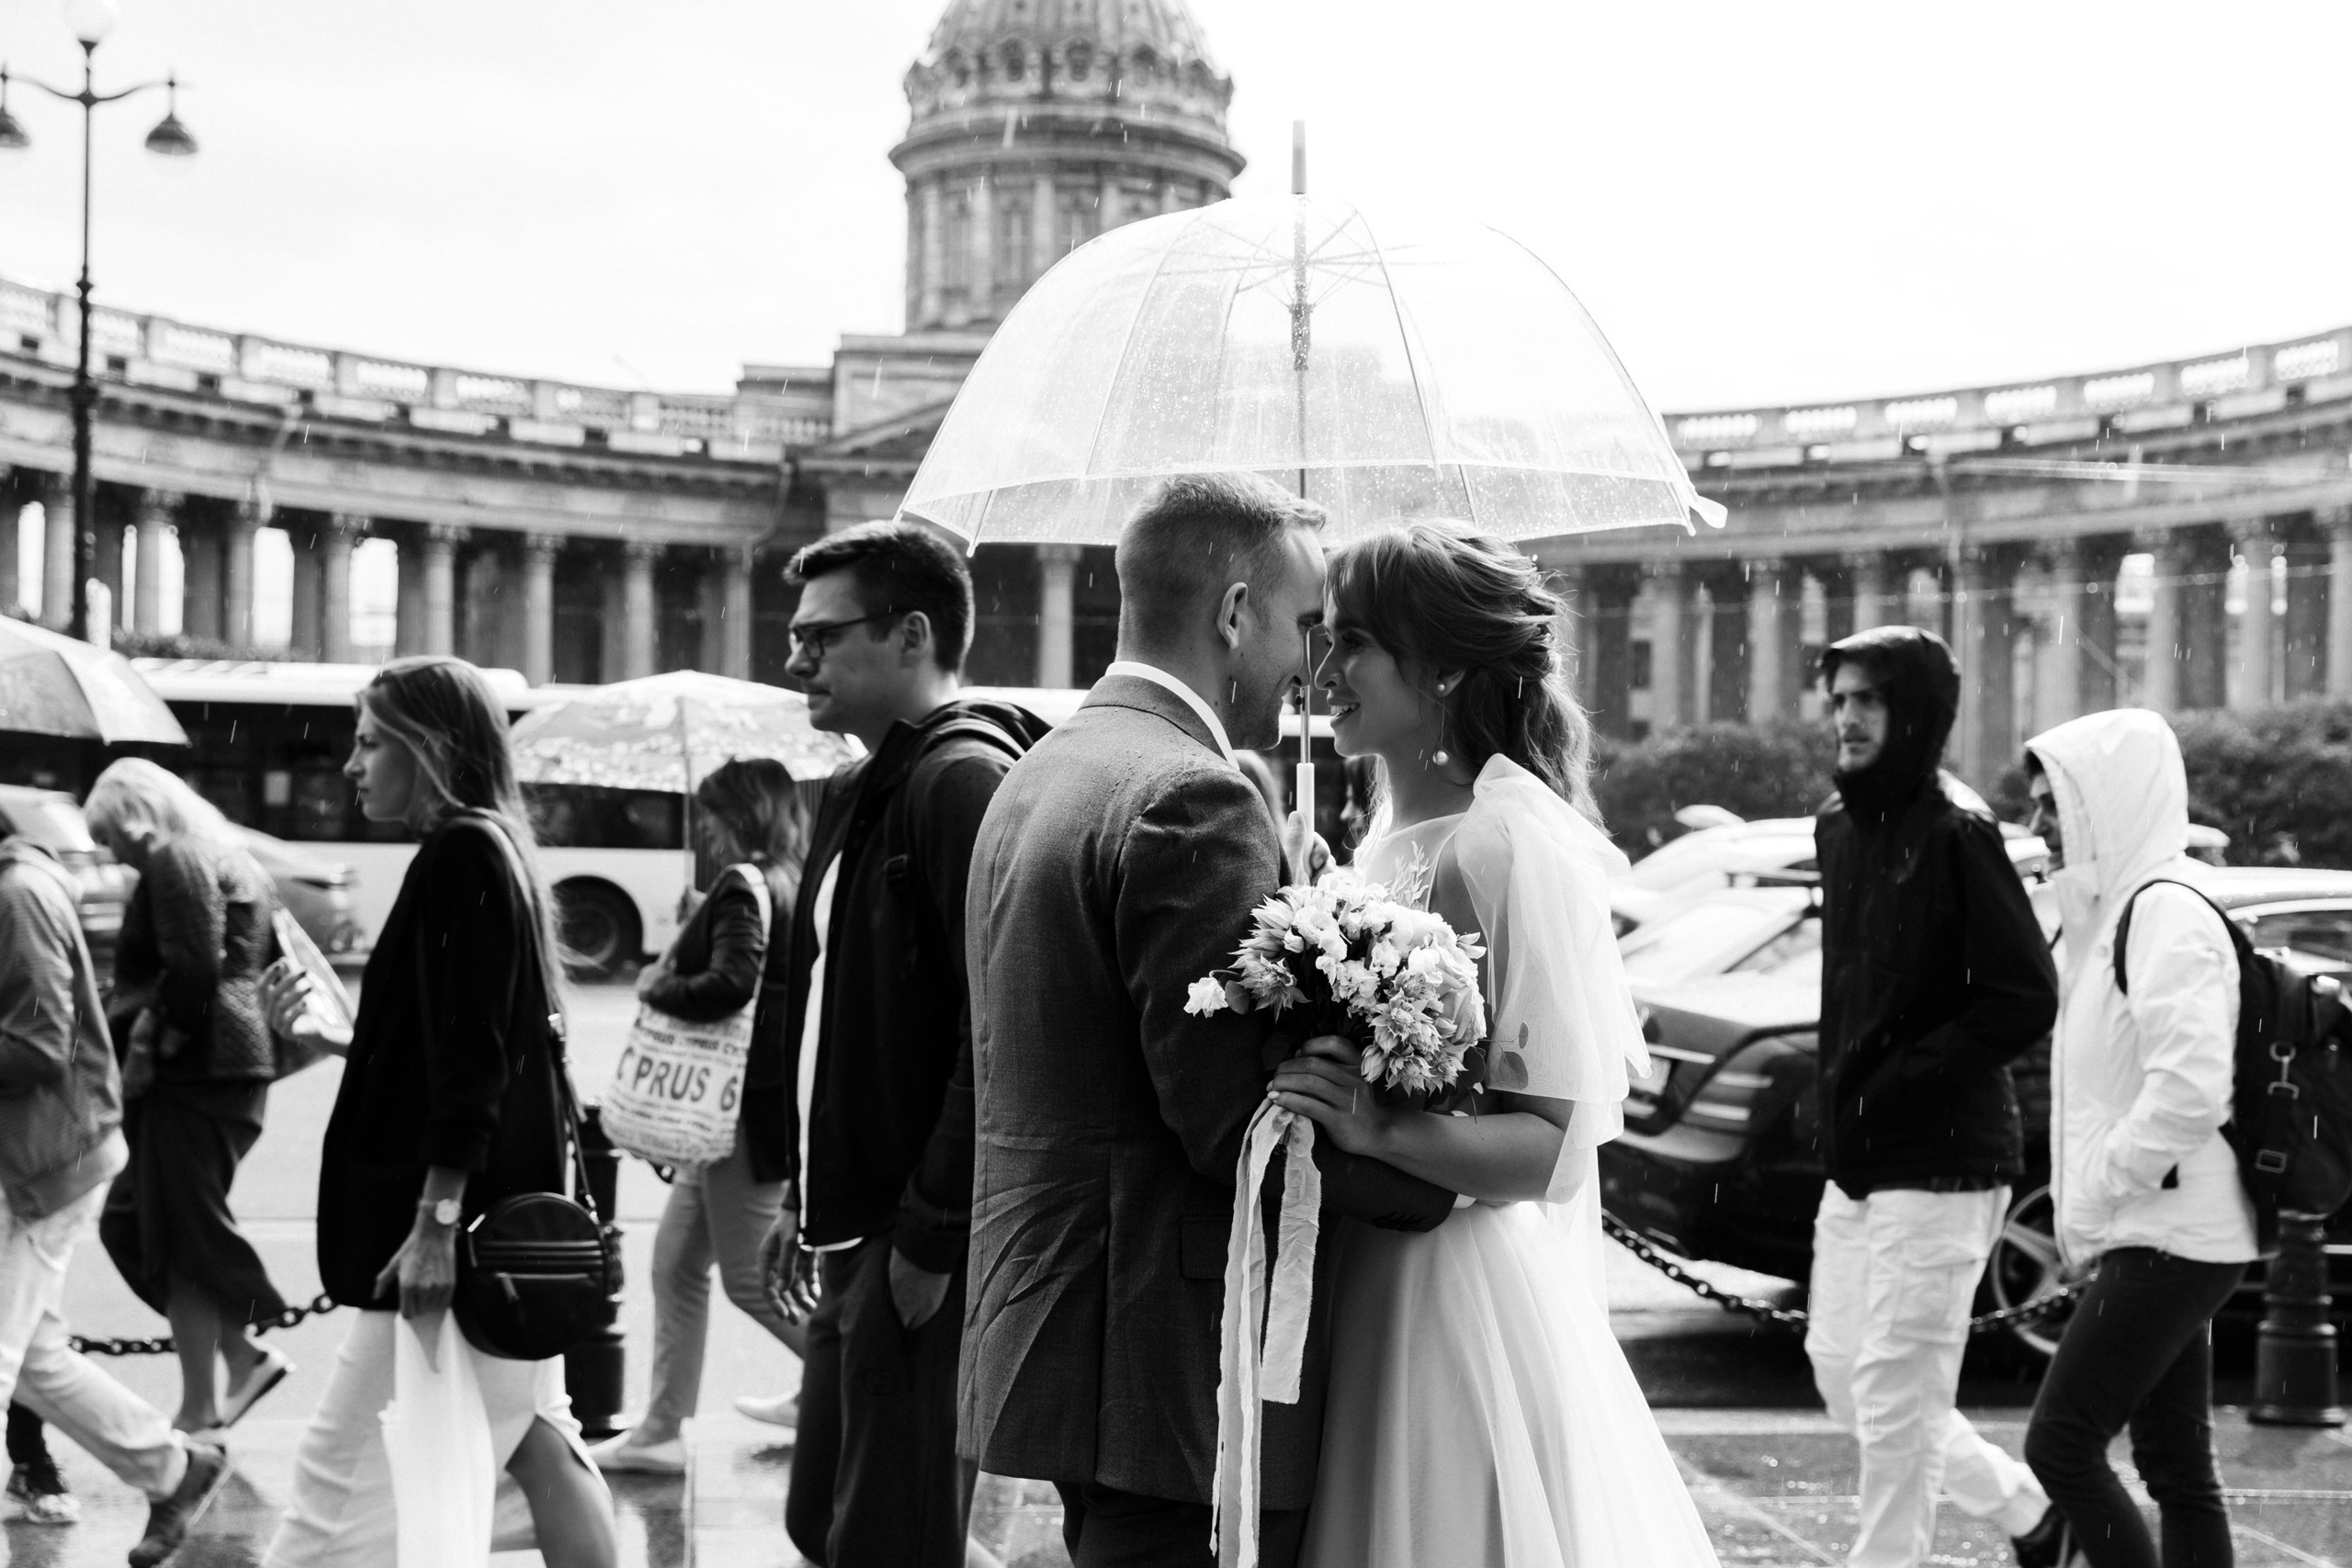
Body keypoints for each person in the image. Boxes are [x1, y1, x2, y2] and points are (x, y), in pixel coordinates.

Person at [961, 474, 1457, 1568]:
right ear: (1235, 613)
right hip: (1169, 1352)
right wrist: (1440, 1185)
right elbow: (1236, 1125)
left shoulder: (1040, 768)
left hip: (1054, 1317)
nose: (1310, 667)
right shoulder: (1195, 794)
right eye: (1303, 625)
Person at [1261, 520, 1718, 1565]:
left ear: (1450, 670)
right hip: (1356, 1274)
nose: (1323, 669)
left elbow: (1548, 1152)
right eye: (1323, 637)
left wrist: (1374, 1128)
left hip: (1444, 1296)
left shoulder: (1500, 843)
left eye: (1356, 644)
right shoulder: (1380, 843)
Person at [255, 655, 618, 1568]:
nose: (350, 763)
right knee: (538, 1439)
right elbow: (461, 1040)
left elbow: (472, 1059)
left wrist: (433, 1224)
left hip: (441, 1234)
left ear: (430, 748)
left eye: (371, 741)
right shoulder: (488, 847)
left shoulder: (461, 853)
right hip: (485, 1221)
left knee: (329, 1491)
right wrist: (345, 1040)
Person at [743, 520, 1048, 1568]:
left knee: (890, 1535)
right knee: (822, 1519)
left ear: (912, 634)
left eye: (819, 639)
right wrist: (803, 1195)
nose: (794, 662)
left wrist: (929, 1234)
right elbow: (833, 1011)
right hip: (857, 1220)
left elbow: (1000, 1031)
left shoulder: (960, 780)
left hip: (920, 1236)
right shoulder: (860, 784)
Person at [1809, 626, 2064, 1568]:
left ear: (1914, 713)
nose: (1845, 717)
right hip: (1859, 1156)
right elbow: (1852, 991)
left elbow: (2024, 995)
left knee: (1896, 1401)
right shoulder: (1835, 827)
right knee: (1844, 1377)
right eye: (1836, 700)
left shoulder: (1959, 830)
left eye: (1865, 700)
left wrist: (1906, 1078)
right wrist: (1837, 1097)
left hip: (1945, 1161)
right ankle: (2032, 1514)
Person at [2021, 709, 2256, 1568]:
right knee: (2174, 1462)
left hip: (2169, 1231)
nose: (2038, 823)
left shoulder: (2163, 913)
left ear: (2107, 805)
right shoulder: (2119, 909)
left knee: (2060, 1443)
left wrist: (2107, 1182)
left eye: (2054, 804)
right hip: (2168, 1226)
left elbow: (2190, 1088)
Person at [1, 803, 232, 1566]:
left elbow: (38, 1041)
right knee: (34, 1359)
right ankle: (175, 1469)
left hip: (41, 1161)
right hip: (40, 1154)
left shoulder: (19, 894)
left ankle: (176, 1469)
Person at [589, 759, 808, 1475]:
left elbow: (730, 983)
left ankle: (853, 1385)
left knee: (750, 1279)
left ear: (738, 816)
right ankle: (660, 1428)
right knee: (677, 1263)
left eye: (710, 815)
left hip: (733, 1114)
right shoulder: (786, 878)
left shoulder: (743, 885)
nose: (704, 828)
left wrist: (660, 982)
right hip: (745, 1106)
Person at [83, 758, 292, 1438]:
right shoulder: (229, 855)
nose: (112, 855)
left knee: (171, 1226)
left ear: (136, 816)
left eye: (111, 836)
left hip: (193, 1072)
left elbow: (194, 970)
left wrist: (147, 1046)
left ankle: (221, 1376)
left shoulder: (176, 858)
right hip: (231, 1066)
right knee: (160, 1223)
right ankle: (231, 1363)